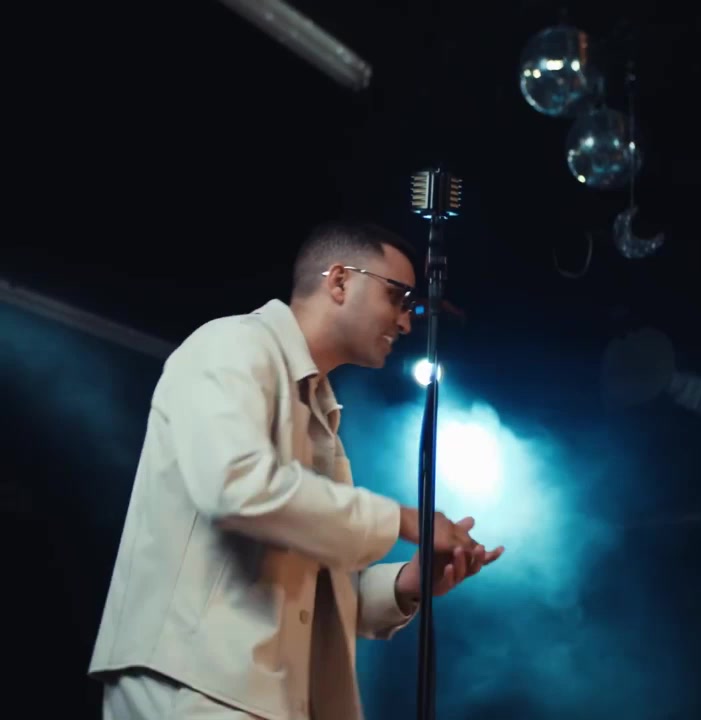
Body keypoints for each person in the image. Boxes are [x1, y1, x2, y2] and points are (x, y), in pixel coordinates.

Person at [88, 221, 504, 719]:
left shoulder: (319, 412)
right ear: (340, 281)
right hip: (195, 681)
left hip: (255, 694)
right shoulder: (232, 343)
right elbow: (235, 486)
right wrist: (404, 520)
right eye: (397, 297)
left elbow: (314, 596)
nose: (406, 322)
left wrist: (408, 583)